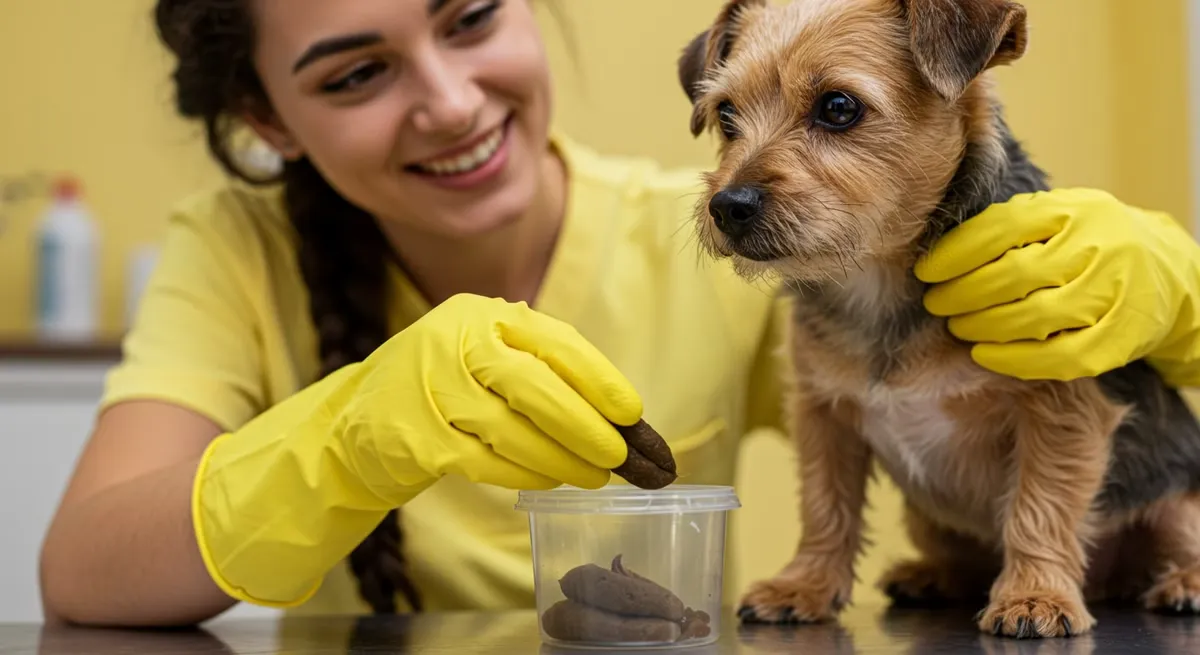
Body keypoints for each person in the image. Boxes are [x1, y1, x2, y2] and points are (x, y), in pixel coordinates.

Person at [37, 0, 1200, 629]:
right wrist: (348, 436)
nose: (450, 102)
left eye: (469, 17)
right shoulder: (232, 253)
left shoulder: (739, 249)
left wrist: (1183, 303)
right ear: (267, 119)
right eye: (355, 74)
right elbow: (80, 573)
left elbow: (937, 399)